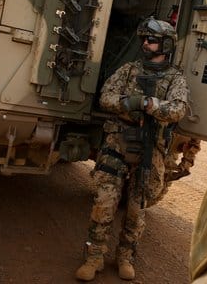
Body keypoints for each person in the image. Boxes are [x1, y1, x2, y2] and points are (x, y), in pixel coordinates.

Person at [75, 17, 189, 281]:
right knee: (104, 203)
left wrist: (148, 104)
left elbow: (178, 109)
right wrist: (129, 102)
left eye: (151, 40)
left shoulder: (175, 78)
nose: (145, 44)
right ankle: (93, 257)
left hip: (150, 147)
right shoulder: (128, 70)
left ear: (166, 44)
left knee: (137, 209)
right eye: (144, 39)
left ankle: (126, 256)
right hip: (119, 142)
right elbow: (106, 97)